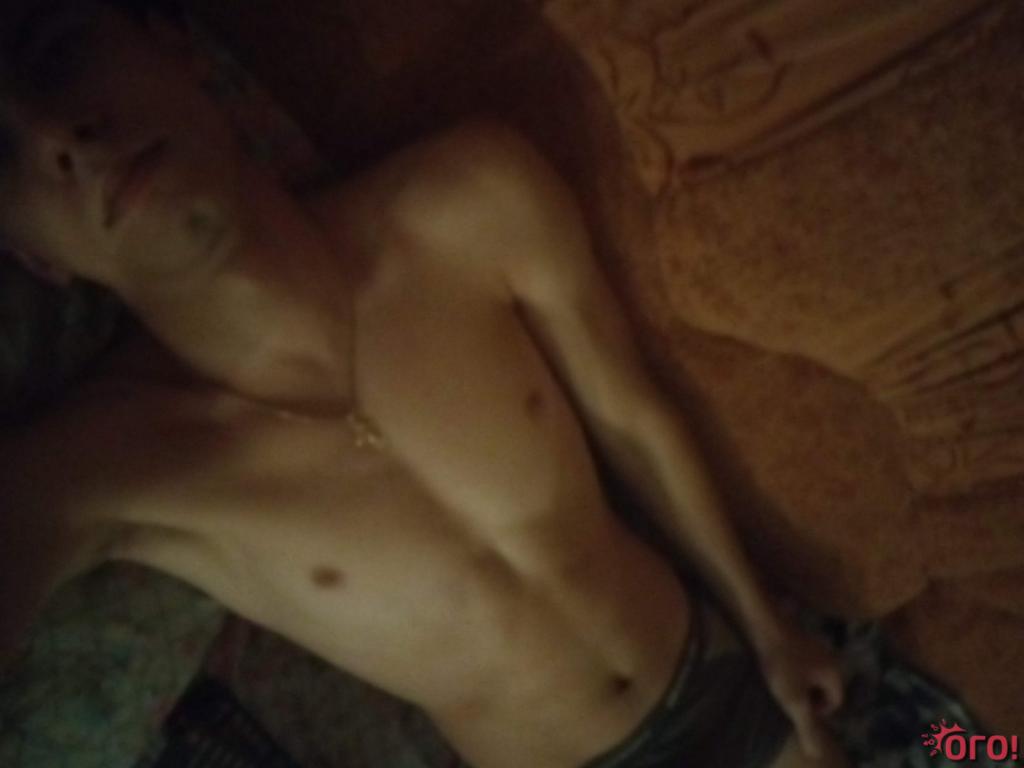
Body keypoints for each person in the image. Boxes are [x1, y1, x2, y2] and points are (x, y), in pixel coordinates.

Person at [0, 1, 851, 766]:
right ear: (33, 256)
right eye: (1, 154)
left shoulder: (470, 195)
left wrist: (768, 628)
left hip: (717, 676)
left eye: (56, 56)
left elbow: (630, 416)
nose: (57, 137)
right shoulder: (96, 467)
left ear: (173, 42)